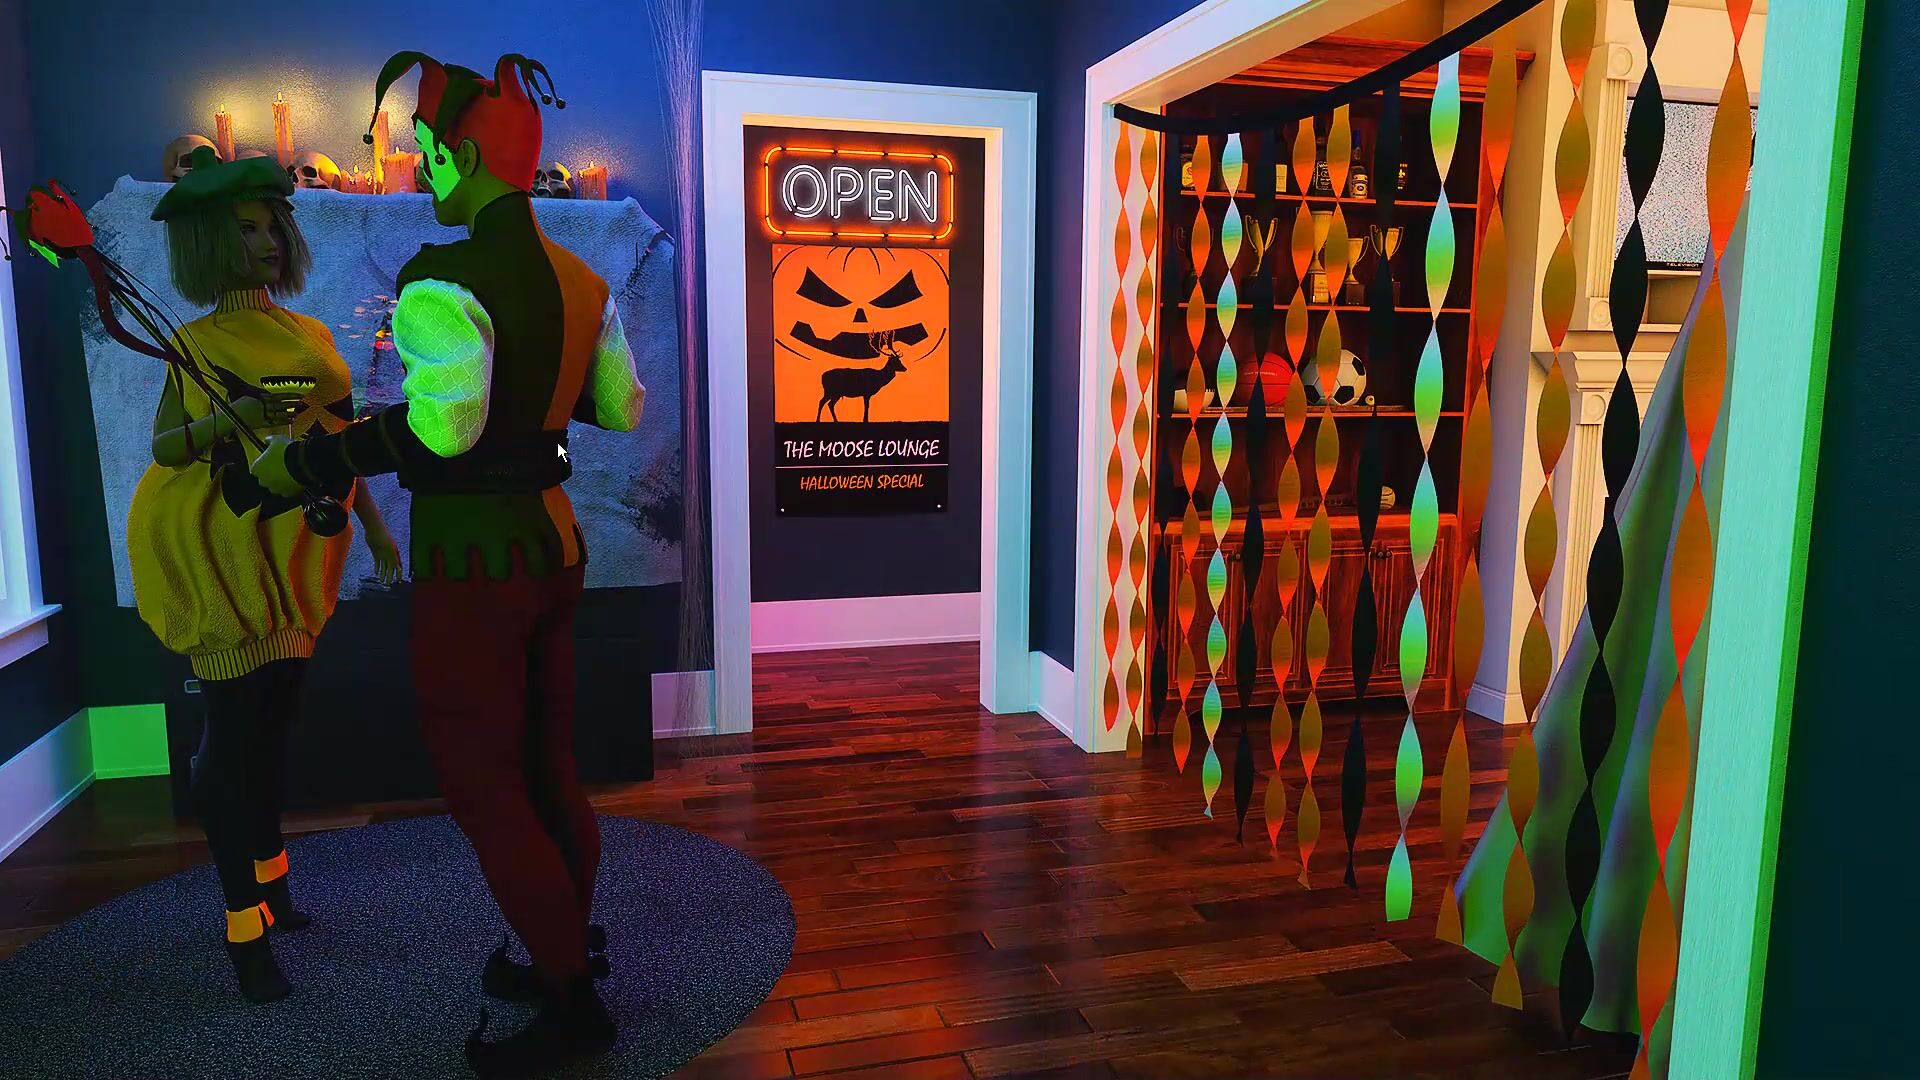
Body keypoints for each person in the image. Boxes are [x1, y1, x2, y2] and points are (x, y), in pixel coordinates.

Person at [251, 51, 644, 1076]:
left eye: (427, 152)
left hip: (477, 560)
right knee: (549, 766)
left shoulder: (441, 278)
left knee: (483, 784)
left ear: (463, 157)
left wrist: (311, 460)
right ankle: (562, 955)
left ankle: (571, 1003)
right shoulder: (585, 280)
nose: (423, 170)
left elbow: (443, 433)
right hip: (556, 544)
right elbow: (619, 408)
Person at [136, 146, 401, 1004]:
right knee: (236, 740)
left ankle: (273, 883)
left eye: (274, 227)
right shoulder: (193, 342)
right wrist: (236, 417)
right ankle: (242, 925)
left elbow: (339, 438)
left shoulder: (311, 335)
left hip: (298, 554)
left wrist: (375, 527)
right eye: (247, 230)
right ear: (212, 243)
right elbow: (166, 448)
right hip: (225, 553)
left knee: (274, 729)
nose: (268, 243)